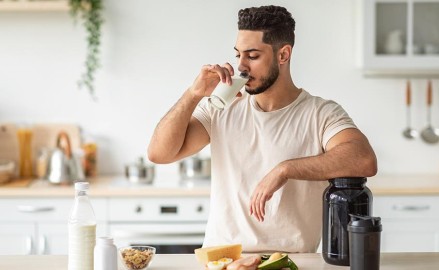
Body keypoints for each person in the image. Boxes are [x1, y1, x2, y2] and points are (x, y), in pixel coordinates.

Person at [148, 5, 377, 253]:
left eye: (253, 56)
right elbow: (159, 154)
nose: (242, 67)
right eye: (238, 55)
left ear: (283, 55)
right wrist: (193, 94)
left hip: (290, 263)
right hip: (223, 260)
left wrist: (284, 169)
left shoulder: (320, 113)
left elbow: (363, 159)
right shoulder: (221, 107)